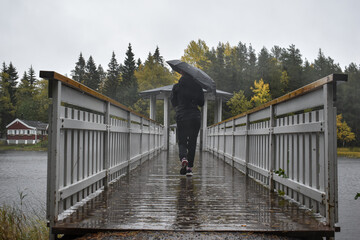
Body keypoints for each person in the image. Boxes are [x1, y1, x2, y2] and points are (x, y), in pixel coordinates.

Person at [171, 72, 204, 176]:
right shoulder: (198, 86)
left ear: (182, 74)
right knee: (193, 142)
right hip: (195, 117)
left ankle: (183, 158)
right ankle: (189, 168)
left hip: (182, 116)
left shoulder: (177, 86)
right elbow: (201, 103)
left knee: (182, 140)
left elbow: (173, 102)